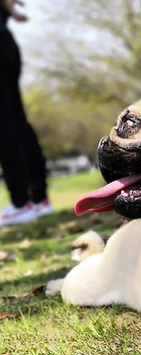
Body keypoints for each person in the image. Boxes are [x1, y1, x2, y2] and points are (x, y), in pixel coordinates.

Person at [0, 0, 52, 226]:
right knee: (17, 122)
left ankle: (21, 203)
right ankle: (39, 199)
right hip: (5, 44)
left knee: (5, 125)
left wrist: (10, 9)